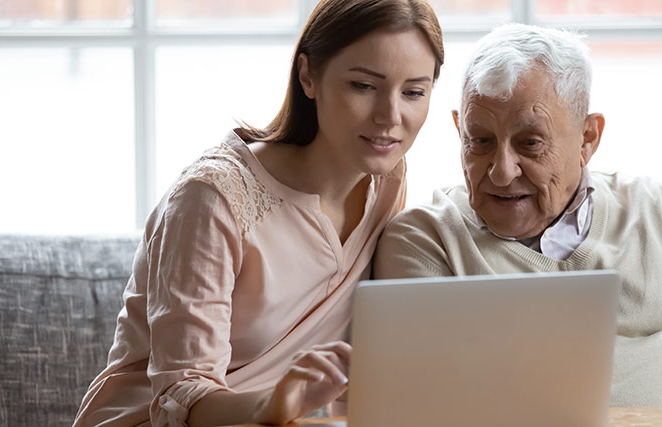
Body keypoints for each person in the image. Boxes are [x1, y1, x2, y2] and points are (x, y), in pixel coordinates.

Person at [373, 23, 662, 423]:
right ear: (458, 130)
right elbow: (425, 413)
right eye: (480, 141)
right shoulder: (424, 243)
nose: (501, 171)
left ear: (588, 138)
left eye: (530, 142)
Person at [73, 1, 443, 426]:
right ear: (308, 76)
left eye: (414, 92)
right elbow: (181, 395)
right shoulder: (211, 200)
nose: (390, 117)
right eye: (363, 86)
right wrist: (273, 404)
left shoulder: (387, 180)